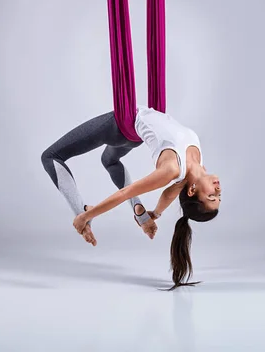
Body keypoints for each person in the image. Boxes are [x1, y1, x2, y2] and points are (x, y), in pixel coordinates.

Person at [41, 105, 221, 289]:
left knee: (50, 156)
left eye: (211, 196)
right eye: (218, 196)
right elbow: (170, 194)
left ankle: (80, 212)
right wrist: (153, 215)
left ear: (192, 191)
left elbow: (124, 193)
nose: (218, 190)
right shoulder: (193, 168)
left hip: (122, 125)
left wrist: (86, 216)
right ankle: (137, 211)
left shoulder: (172, 169)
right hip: (133, 137)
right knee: (109, 161)